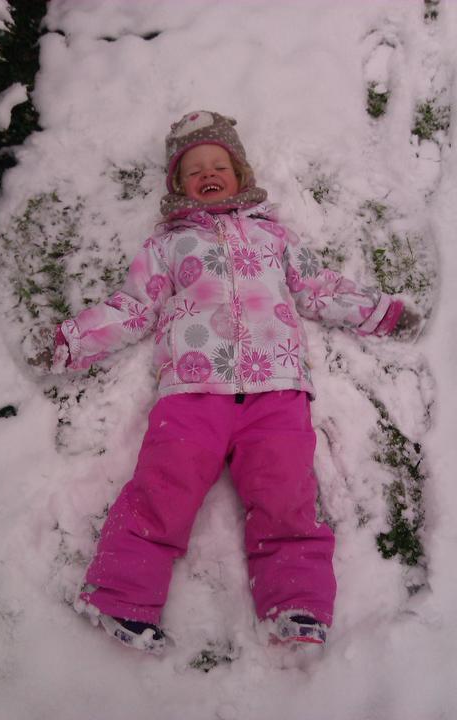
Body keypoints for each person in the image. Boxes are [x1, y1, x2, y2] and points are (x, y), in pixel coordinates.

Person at [53, 111, 421, 654]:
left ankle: (294, 601)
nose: (207, 174)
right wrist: (70, 341)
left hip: (276, 389)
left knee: (287, 492)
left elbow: (318, 287)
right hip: (193, 391)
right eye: (193, 169)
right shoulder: (167, 245)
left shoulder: (274, 236)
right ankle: (120, 595)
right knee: (163, 488)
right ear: (178, 186)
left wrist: (381, 312)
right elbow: (133, 307)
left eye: (218, 165)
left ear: (240, 174)